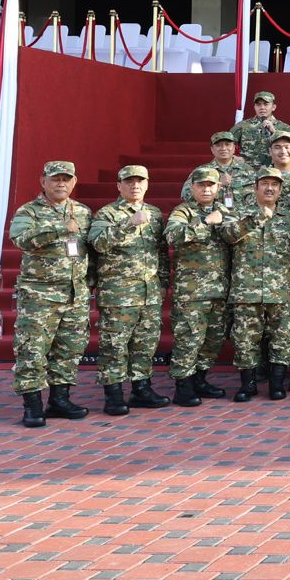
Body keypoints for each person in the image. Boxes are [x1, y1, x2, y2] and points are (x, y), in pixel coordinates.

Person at [10, 161, 95, 428]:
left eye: (66, 179)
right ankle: (32, 406)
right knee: (33, 349)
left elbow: (89, 250)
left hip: (74, 293)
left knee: (69, 348)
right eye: (55, 179)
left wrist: (89, 280)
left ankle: (60, 399)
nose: (61, 183)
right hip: (40, 294)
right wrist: (59, 229)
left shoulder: (82, 211)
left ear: (74, 182)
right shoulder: (29, 211)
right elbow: (20, 239)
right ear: (43, 181)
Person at [219, 168, 290, 402]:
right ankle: (248, 385)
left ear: (280, 189)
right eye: (265, 183)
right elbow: (228, 235)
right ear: (255, 187)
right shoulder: (237, 213)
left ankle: (277, 384)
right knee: (245, 339)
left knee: (283, 337)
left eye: (275, 185)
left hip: (280, 290)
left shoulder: (288, 218)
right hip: (245, 290)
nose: (270, 188)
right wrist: (258, 218)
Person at [88, 165, 171, 416]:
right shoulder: (108, 213)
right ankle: (113, 394)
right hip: (119, 293)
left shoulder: (154, 213)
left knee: (145, 343)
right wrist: (128, 224)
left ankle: (141, 389)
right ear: (119, 186)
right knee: (115, 344)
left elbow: (161, 252)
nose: (135, 185)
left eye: (140, 181)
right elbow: (98, 244)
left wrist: (163, 282)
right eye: (129, 181)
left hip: (149, 291)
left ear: (147, 184)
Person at [164, 166, 232, 406]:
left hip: (220, 288)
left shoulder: (225, 209)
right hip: (192, 291)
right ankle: (183, 385)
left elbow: (237, 235)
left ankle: (200, 379)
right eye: (201, 185)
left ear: (217, 188)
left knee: (213, 338)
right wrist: (205, 222)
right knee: (189, 339)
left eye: (210, 185)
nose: (206, 189)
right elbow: (172, 235)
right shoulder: (183, 211)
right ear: (192, 187)